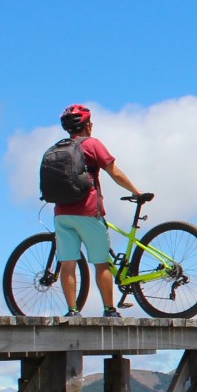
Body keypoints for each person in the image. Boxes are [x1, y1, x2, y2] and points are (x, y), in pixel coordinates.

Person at [50, 104, 146, 318]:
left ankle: (73, 311)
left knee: (68, 263)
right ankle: (109, 310)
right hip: (88, 212)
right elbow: (114, 172)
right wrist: (136, 191)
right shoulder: (92, 144)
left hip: (62, 214)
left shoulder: (58, 148)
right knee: (101, 262)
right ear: (88, 125)